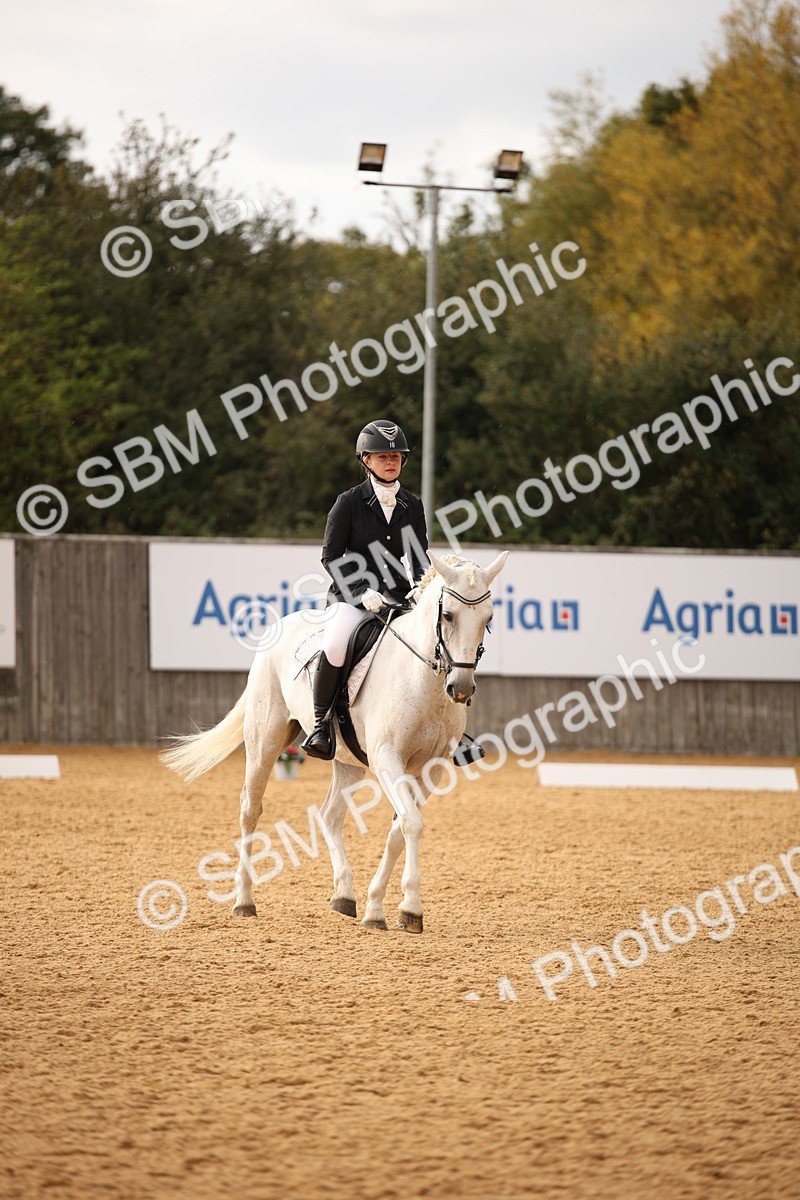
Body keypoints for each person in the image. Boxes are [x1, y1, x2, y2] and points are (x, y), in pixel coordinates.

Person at [301, 419, 485, 766]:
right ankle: (320, 725)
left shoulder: (411, 505)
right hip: (352, 597)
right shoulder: (348, 503)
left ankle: (452, 734)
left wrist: (420, 590)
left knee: (439, 640)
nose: (391, 461)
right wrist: (359, 591)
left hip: (399, 596)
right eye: (382, 456)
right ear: (366, 460)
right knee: (336, 643)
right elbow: (331, 556)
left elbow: (418, 557)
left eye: (396, 456)